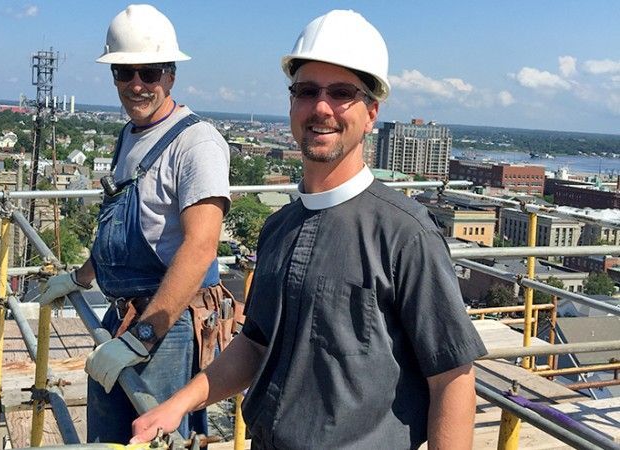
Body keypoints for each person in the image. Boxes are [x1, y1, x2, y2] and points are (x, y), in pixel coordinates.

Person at [130, 9, 488, 450]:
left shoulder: (405, 235)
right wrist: (177, 405)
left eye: (342, 93)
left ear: (372, 112)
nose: (321, 107)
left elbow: (452, 377)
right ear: (291, 104)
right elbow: (255, 345)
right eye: (307, 91)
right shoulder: (280, 227)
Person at [36, 4, 233, 444]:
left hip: (170, 321)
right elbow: (121, 227)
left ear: (171, 75)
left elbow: (200, 248)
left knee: (152, 435)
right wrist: (82, 277)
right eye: (125, 73)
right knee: (109, 434)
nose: (137, 85)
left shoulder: (196, 144)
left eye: (150, 71)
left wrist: (145, 335)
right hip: (126, 312)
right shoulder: (129, 135)